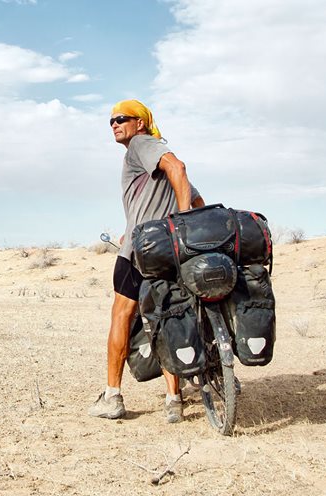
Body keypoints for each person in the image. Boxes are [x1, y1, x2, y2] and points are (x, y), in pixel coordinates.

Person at [88, 99, 204, 422]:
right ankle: (173, 400)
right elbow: (196, 198)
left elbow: (178, 169)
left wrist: (182, 223)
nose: (114, 123)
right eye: (110, 120)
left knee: (121, 315)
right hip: (167, 252)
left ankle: (112, 396)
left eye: (122, 118)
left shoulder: (142, 144)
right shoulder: (149, 156)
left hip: (140, 252)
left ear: (140, 123)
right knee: (166, 318)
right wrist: (183, 227)